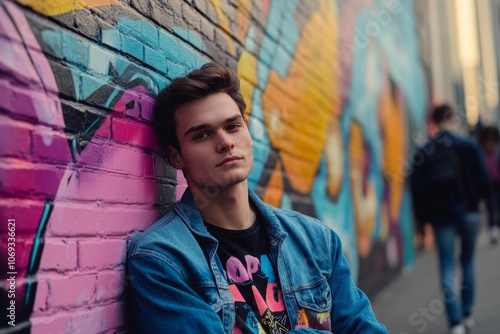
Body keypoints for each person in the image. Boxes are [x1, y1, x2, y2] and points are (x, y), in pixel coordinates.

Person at [126, 62, 387, 333]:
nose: (225, 142)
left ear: (248, 132)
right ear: (176, 156)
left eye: (232, 126)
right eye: (202, 135)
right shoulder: (162, 260)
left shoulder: (317, 241)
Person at [410, 104, 491, 334]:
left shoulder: (424, 151)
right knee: (467, 261)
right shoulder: (468, 145)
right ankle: (467, 314)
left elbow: (417, 190)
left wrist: (422, 221)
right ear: (452, 118)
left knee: (447, 266)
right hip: (469, 212)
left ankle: (455, 323)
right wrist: (479, 203)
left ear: (434, 121)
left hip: (441, 217)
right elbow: (484, 180)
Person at [478, 126, 500, 244]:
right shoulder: (481, 154)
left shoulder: (497, 152)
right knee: (491, 207)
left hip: (497, 183)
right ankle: (493, 229)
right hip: (488, 185)